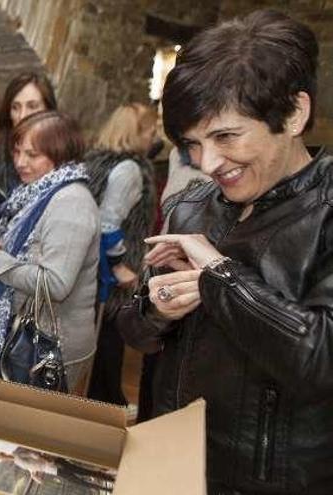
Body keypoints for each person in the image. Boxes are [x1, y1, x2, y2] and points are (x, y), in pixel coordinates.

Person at [117, 10, 330, 494]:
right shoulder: (191, 207)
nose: (207, 163)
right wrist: (155, 308)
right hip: (170, 467)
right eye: (192, 144)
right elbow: (133, 328)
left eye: (226, 136)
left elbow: (321, 359)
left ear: (294, 114)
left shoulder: (326, 212)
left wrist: (219, 274)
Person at [0, 111, 99, 388]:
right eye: (17, 152)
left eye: (32, 154)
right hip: (32, 335)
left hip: (50, 345)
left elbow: (56, 283)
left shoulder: (71, 202)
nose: (20, 162)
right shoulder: (39, 191)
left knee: (33, 428)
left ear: (60, 155)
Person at [83, 102, 159, 406]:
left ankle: (103, 400)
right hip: (108, 274)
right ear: (134, 133)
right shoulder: (129, 170)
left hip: (91, 269)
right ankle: (108, 404)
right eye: (151, 130)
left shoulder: (96, 162)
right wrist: (119, 267)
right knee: (109, 342)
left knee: (102, 341)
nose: (154, 137)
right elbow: (108, 223)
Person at [0, 72, 58, 242]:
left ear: (48, 109)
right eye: (15, 107)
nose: (22, 115)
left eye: (32, 106)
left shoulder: (60, 153)